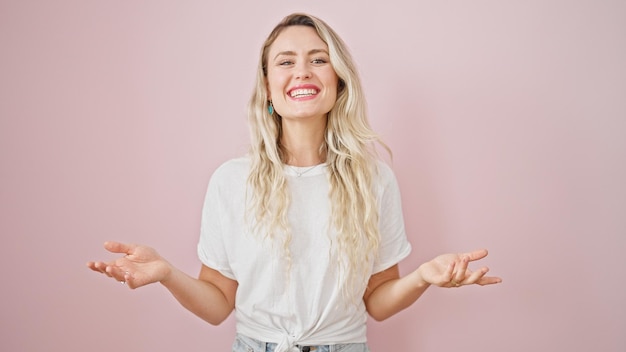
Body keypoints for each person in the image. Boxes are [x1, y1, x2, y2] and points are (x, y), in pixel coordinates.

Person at [87, 13, 502, 352]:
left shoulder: (374, 180)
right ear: (268, 86)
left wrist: (423, 277)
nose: (302, 71)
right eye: (285, 61)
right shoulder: (231, 181)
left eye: (318, 59)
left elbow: (377, 301)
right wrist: (166, 274)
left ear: (338, 82)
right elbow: (217, 306)